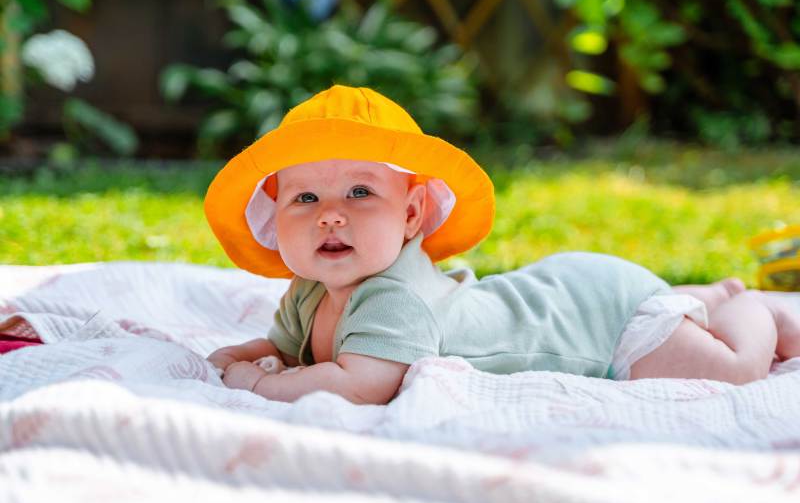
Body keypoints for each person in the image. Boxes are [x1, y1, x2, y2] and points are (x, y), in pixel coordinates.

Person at [205, 85, 800, 404]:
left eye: (360, 192)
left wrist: (260, 383)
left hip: (600, 323)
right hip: (566, 290)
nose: (330, 218)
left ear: (412, 215)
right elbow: (283, 348)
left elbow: (359, 384)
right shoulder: (309, 289)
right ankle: (690, 297)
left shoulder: (393, 298)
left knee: (733, 370)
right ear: (276, 218)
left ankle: (750, 306)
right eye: (305, 199)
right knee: (671, 315)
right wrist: (235, 357)